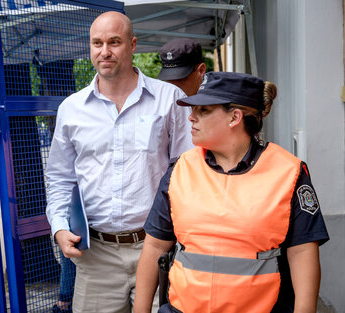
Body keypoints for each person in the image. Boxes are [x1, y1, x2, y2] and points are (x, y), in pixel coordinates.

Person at [134, 72, 330, 313]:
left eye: (203, 110)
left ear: (234, 117)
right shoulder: (180, 170)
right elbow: (154, 247)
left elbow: (302, 253)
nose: (191, 117)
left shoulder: (288, 173)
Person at [45, 11, 193, 313]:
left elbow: (189, 172)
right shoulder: (71, 109)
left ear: (133, 44)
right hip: (96, 255)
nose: (105, 52)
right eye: (97, 43)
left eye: (114, 42)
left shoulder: (169, 99)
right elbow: (59, 178)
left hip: (158, 247)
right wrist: (59, 227)